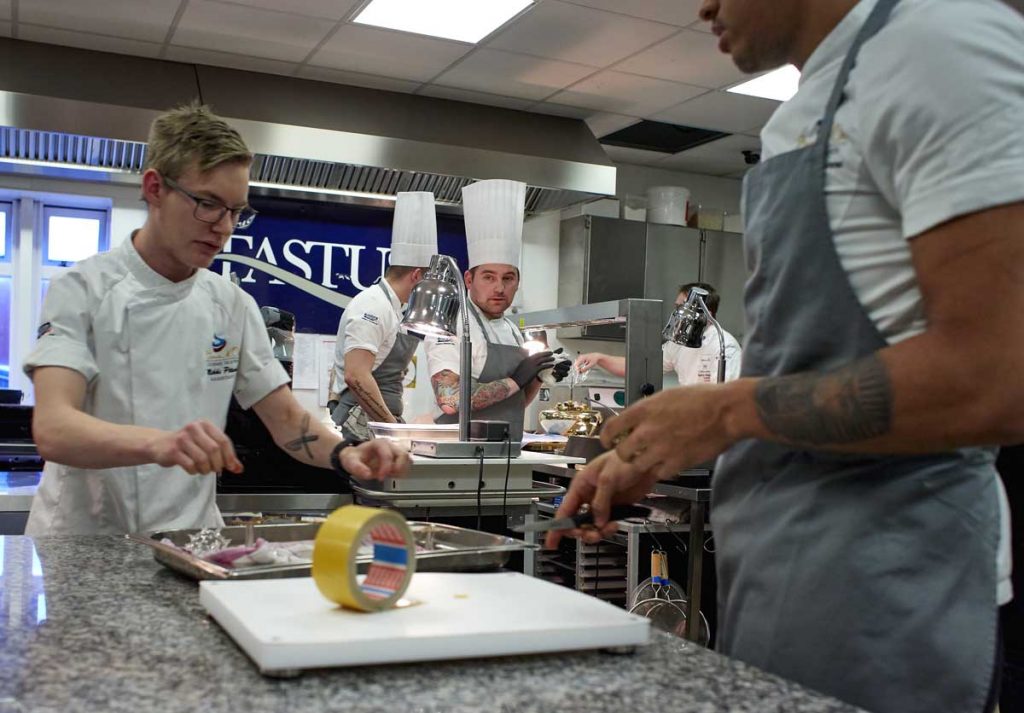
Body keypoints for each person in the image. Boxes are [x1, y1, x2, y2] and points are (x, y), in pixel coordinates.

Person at [548, 1, 1024, 712]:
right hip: (787, 574)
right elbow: (812, 358)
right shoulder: (802, 112)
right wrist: (659, 444)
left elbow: (999, 377)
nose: (702, 5)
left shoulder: (939, 44)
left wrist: (724, 411)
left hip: (892, 593)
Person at [24, 103, 409, 536]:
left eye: (236, 211)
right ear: (155, 188)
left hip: (189, 541)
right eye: (208, 204)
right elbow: (54, 429)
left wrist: (345, 454)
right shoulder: (82, 290)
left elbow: (284, 420)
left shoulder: (231, 304)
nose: (224, 227)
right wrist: (161, 442)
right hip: (84, 541)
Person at [423, 179, 567, 442]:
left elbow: (514, 404)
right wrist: (517, 378)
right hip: (456, 450)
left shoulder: (512, 330)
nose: (499, 288)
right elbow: (450, 400)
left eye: (508, 278)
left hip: (505, 450)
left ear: (518, 282)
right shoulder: (452, 322)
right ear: (468, 280)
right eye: (488, 277)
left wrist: (539, 375)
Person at [331, 192, 437, 442]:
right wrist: (394, 429)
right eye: (429, 280)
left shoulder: (395, 309)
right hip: (360, 426)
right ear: (416, 275)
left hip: (377, 425)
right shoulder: (372, 305)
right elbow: (356, 376)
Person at [575, 282, 742, 384]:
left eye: (684, 308)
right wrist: (599, 358)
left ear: (707, 313)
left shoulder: (725, 346)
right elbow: (640, 367)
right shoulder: (678, 343)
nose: (679, 314)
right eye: (677, 308)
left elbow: (726, 396)